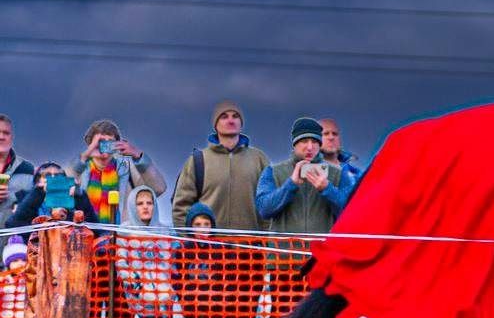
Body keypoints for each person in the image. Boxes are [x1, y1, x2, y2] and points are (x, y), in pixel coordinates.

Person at [114, 185, 179, 318]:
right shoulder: (124, 231)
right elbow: (122, 263)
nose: (145, 207)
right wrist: (135, 283)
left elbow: (169, 263)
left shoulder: (164, 230)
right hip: (136, 297)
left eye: (149, 203)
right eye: (140, 203)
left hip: (163, 298)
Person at [170, 101, 271, 232]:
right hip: (209, 249)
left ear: (241, 123)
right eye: (224, 116)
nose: (231, 120)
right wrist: (190, 243)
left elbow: (269, 206)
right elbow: (181, 207)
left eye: (235, 116)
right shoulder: (198, 161)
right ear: (215, 124)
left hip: (251, 248)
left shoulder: (259, 159)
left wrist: (267, 242)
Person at [255, 117, 353, 238]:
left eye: (315, 141)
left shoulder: (338, 173)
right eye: (304, 141)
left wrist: (327, 188)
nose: (310, 147)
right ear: (295, 144)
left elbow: (351, 213)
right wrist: (291, 184)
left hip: (322, 255)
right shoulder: (272, 171)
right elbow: (264, 210)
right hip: (283, 254)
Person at [67, 119, 167, 228]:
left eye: (109, 142)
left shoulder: (126, 168)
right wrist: (84, 156)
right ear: (90, 144)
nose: (104, 147)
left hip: (120, 238)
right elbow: (60, 191)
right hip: (85, 235)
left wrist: (138, 155)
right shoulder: (81, 168)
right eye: (100, 142)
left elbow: (158, 188)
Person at [0, 114, 35, 224]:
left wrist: (13, 197)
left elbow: (36, 203)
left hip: (14, 239)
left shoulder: (27, 169)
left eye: (6, 133)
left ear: (12, 138)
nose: (1, 136)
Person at [319, 119, 365, 196]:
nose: (331, 137)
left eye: (335, 134)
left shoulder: (353, 171)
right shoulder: (311, 170)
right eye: (325, 134)